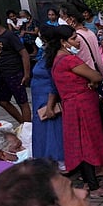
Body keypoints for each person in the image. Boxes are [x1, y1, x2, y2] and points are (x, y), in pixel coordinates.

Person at [47, 25, 103, 197]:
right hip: (81, 106)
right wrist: (92, 80)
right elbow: (96, 76)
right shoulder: (69, 60)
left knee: (81, 143)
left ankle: (89, 182)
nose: (77, 41)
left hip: (73, 105)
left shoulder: (57, 58)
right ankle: (94, 187)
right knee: (87, 144)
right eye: (73, 38)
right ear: (63, 42)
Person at [30, 26, 65, 171]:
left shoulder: (54, 58)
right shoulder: (45, 54)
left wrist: (50, 106)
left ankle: (59, 159)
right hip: (39, 98)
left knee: (53, 130)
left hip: (47, 99)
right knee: (43, 131)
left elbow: (53, 84)